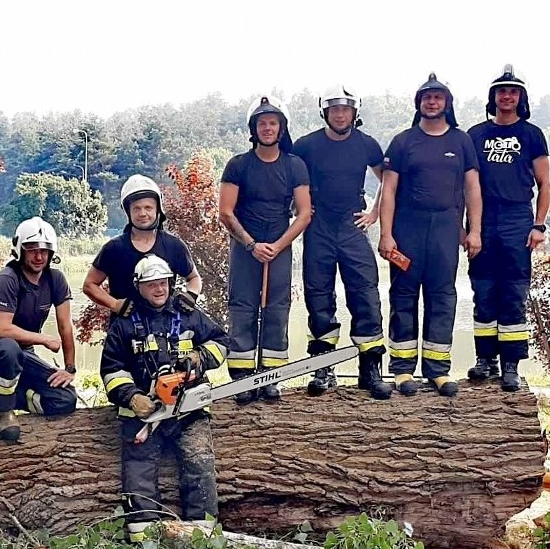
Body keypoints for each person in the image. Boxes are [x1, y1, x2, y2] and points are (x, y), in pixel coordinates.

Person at [100, 254, 229, 541]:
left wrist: (200, 356)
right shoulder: (124, 324)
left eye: (163, 283)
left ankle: (202, 536)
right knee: (139, 468)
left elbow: (221, 342)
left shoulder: (188, 312)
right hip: (145, 410)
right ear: (138, 287)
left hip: (189, 407)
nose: (159, 289)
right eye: (151, 285)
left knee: (199, 461)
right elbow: (111, 369)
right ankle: (142, 539)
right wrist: (132, 398)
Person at [378, 73, 482, 397]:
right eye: (427, 97)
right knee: (403, 295)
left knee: (442, 295)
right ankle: (402, 369)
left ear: (447, 104)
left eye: (438, 97)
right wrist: (385, 234)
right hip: (407, 229)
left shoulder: (461, 141)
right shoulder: (403, 141)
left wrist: (475, 230)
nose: (432, 102)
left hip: (446, 230)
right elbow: (389, 190)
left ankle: (438, 370)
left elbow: (473, 188)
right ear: (419, 104)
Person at [292, 84, 391, 399]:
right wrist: (300, 209)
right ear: (325, 112)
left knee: (366, 294)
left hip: (352, 225)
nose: (340, 114)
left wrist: (374, 211)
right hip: (317, 225)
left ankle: (370, 368)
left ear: (354, 112)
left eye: (345, 109)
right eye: (334, 109)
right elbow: (289, 179)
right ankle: (324, 368)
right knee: (318, 296)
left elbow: (389, 179)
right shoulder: (305, 146)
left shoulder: (367, 144)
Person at [219, 94, 311, 404]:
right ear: (253, 128)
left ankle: (271, 377)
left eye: (273, 123)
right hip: (246, 243)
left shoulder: (294, 165)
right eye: (262, 123)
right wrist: (250, 244)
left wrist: (278, 246)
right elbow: (226, 212)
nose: (268, 128)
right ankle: (243, 378)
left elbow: (304, 213)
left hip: (279, 241)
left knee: (276, 308)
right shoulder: (238, 165)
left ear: (282, 128)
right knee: (242, 307)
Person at [467, 65, 550, 391]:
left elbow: (545, 183)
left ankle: (511, 366)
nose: (507, 96)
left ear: (521, 97)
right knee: (483, 293)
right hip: (483, 220)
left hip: (518, 219)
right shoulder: (476, 135)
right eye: (501, 91)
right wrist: (468, 228)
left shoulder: (531, 134)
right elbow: (465, 185)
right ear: (493, 97)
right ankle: (484, 361)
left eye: (513, 91)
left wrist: (538, 225)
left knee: (513, 294)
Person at [0, 217, 77, 441]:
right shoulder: (7, 279)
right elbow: (2, 330)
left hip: (23, 353)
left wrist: (70, 368)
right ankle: (4, 411)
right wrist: (44, 339)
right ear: (20, 250)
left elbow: (66, 326)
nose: (38, 257)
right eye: (32, 250)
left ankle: (1, 395)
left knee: (65, 399)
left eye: (44, 251)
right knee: (8, 348)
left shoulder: (56, 279)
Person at [83, 174, 202, 318]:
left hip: (166, 327)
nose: (143, 213)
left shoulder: (173, 245)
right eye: (136, 209)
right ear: (128, 212)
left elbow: (194, 278)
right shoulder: (114, 249)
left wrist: (191, 295)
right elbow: (89, 285)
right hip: (124, 330)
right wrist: (115, 304)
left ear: (157, 209)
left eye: (148, 208)